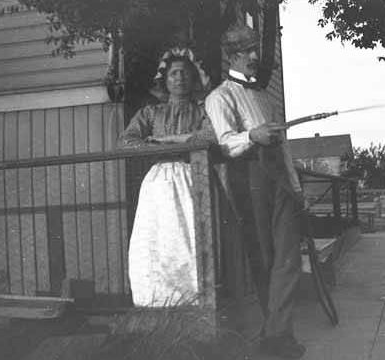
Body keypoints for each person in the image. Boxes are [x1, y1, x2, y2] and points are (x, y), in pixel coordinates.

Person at [205, 25, 306, 359]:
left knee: (288, 258)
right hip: (249, 178)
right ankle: (276, 332)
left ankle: (278, 333)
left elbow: (284, 146)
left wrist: (294, 183)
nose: (253, 57)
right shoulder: (220, 97)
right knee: (264, 259)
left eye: (254, 50)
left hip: (278, 178)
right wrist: (252, 136)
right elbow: (225, 142)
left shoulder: (265, 96)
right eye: (246, 51)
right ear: (232, 56)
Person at [118, 47, 215, 307]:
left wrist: (169, 141)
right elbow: (127, 142)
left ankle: (195, 300)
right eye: (173, 73)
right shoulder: (151, 113)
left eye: (185, 72)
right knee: (158, 239)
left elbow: (210, 136)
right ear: (165, 79)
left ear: (194, 79)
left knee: (189, 238)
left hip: (192, 176)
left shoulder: (203, 110)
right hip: (159, 181)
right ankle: (158, 302)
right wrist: (159, 148)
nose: (179, 77)